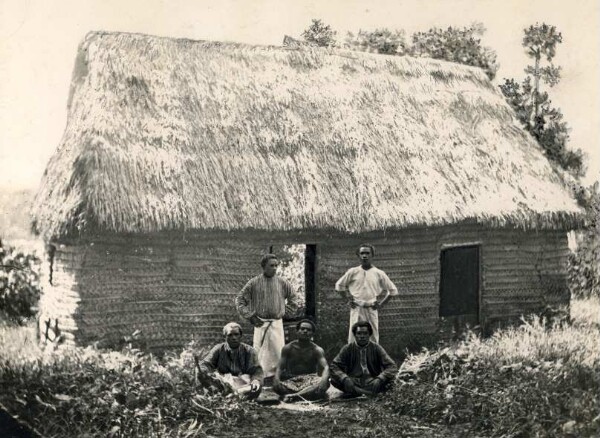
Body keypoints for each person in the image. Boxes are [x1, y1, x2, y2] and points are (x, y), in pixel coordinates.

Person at [236, 254, 299, 379]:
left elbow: (294, 298)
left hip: (276, 324)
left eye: (276, 265)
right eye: (271, 265)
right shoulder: (254, 283)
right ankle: (259, 377)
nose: (275, 268)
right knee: (259, 353)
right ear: (263, 267)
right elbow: (240, 300)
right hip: (260, 323)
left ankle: (278, 377)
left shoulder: (282, 282)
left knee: (278, 351)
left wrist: (283, 312)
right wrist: (251, 316)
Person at [335, 244, 398, 344]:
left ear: (372, 255)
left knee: (372, 336)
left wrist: (381, 305)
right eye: (362, 253)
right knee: (354, 335)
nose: (365, 256)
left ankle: (372, 358)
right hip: (357, 308)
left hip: (371, 308)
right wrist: (348, 300)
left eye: (367, 253)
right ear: (358, 256)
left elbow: (393, 291)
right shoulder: (353, 272)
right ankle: (354, 358)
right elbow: (339, 286)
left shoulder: (379, 273)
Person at [195, 322, 263, 399]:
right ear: (225, 337)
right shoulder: (218, 349)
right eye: (230, 335)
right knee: (206, 379)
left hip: (244, 385)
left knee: (255, 388)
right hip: (224, 383)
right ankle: (226, 395)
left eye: (236, 334)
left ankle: (231, 396)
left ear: (241, 336)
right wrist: (203, 371)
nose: (234, 338)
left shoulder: (250, 351)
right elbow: (205, 364)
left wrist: (256, 381)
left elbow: (257, 371)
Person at [330, 321, 398, 397]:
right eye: (359, 333)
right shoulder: (347, 348)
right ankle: (370, 394)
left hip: (372, 381)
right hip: (353, 382)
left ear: (369, 335)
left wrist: (380, 378)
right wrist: (345, 378)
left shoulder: (376, 348)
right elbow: (334, 366)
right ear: (355, 335)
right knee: (334, 380)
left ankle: (357, 393)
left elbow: (392, 366)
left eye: (365, 333)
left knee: (392, 380)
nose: (362, 336)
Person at [273, 319, 330, 402]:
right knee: (276, 386)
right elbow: (280, 367)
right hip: (292, 380)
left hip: (310, 380)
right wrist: (276, 379)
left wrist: (324, 380)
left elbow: (326, 367)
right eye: (302, 329)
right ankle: (305, 395)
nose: (305, 331)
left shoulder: (317, 350)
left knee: (324, 383)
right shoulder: (288, 348)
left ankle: (293, 396)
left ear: (312, 334)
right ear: (297, 331)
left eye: (308, 330)